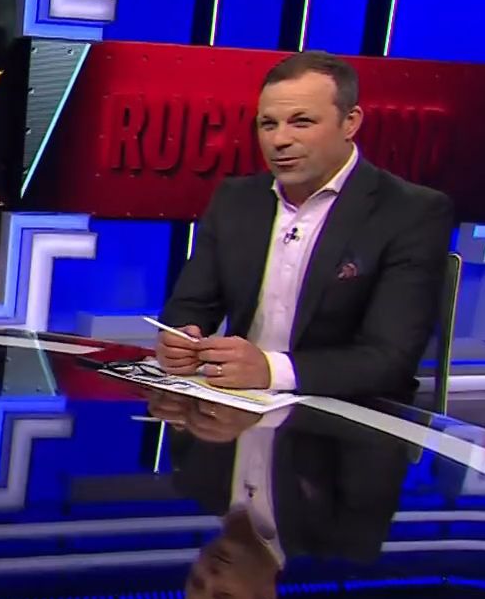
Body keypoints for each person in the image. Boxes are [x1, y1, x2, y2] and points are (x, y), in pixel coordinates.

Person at [156, 51, 455, 401]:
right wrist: (181, 338)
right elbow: (190, 305)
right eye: (268, 124)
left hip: (348, 415)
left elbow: (390, 360)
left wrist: (271, 370)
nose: (279, 140)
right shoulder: (236, 200)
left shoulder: (411, 212)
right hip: (237, 407)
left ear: (350, 122)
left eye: (301, 122)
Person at [157, 395, 409, 599]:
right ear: (267, 596)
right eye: (223, 594)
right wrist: (267, 410)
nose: (210, 575)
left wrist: (171, 400)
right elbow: (380, 425)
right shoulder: (345, 530)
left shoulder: (194, 480)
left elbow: (186, 393)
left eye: (197, 581)